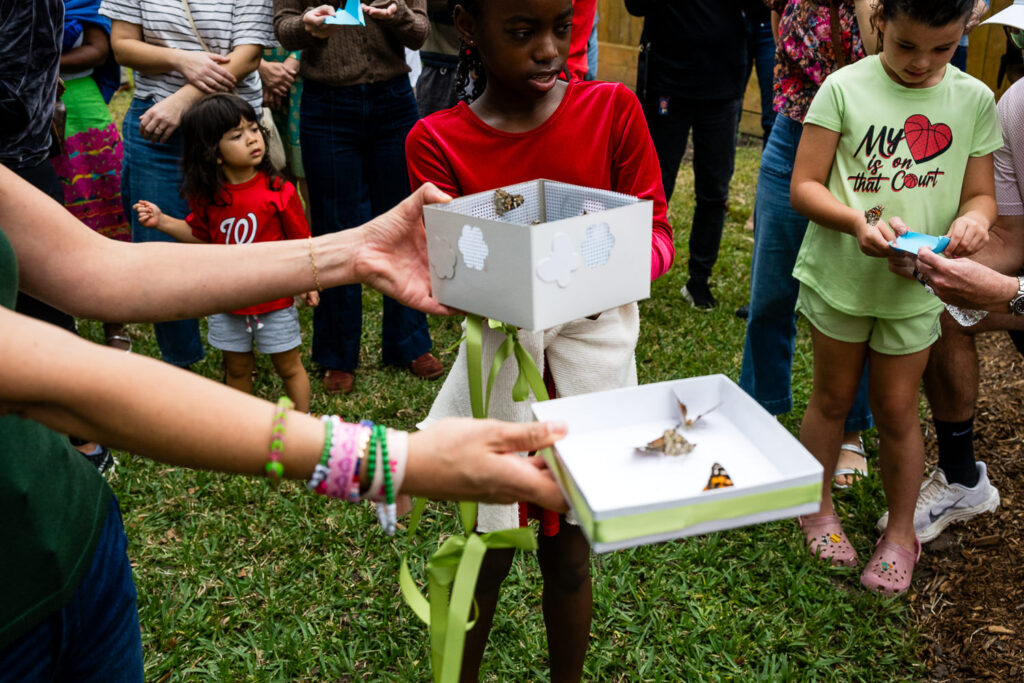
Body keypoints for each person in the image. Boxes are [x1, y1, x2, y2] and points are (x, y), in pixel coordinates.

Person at [0, 164, 569, 678]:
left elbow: (99, 268)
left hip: (80, 542)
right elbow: (56, 381)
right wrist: (388, 461)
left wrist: (358, 250)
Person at [405, 1, 674, 679]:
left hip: (589, 373)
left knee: (569, 552)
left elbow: (657, 233)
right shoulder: (436, 141)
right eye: (523, 33)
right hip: (500, 373)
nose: (550, 50)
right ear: (469, 27)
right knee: (487, 546)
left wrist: (603, 267)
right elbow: (449, 274)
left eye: (562, 26)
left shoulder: (612, 110)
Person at [790, 0, 1001, 596]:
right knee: (831, 399)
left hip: (916, 287)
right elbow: (804, 186)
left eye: (942, 49)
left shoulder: (973, 101)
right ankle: (817, 509)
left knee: (898, 409)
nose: (922, 63)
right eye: (907, 46)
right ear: (880, 19)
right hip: (841, 278)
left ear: (964, 32)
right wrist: (856, 222)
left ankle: (901, 533)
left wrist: (975, 222)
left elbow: (981, 196)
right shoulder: (842, 88)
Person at [877, 5, 1024, 543]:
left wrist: (1010, 292)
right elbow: (1009, 237)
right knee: (940, 306)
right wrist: (934, 263)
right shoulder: (1015, 109)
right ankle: (963, 477)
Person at [273, 1, 444, 396]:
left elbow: (419, 32)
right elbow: (283, 28)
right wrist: (308, 27)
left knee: (404, 220)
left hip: (394, 101)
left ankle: (409, 342)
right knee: (335, 225)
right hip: (327, 102)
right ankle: (337, 353)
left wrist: (397, 13)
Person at [740, 0, 877, 489]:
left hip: (862, 145)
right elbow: (780, 38)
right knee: (771, 293)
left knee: (853, 296)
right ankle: (758, 418)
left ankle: (850, 432)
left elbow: (884, 56)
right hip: (794, 132)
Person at [101, 0, 272, 369]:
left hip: (231, 126)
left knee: (242, 241)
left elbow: (248, 55)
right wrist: (182, 60)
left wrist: (184, 99)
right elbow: (123, 45)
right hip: (157, 125)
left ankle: (251, 351)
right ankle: (180, 364)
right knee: (159, 249)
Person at [133, 94, 318, 413]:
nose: (251, 139)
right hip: (227, 300)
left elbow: (301, 242)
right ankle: (241, 426)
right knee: (237, 369)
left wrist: (309, 281)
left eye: (253, 129)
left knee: (289, 367)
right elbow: (202, 238)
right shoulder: (207, 198)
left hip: (273, 300)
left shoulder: (279, 191)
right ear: (212, 153)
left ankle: (304, 425)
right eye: (236, 135)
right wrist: (163, 221)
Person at [626, 0, 746, 310]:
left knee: (714, 191)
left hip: (722, 88)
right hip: (667, 85)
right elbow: (635, 6)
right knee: (654, 187)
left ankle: (699, 281)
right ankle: (633, 278)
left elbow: (761, 15)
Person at [53, 0, 133, 352]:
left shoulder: (82, 0)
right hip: (22, 106)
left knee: (103, 206)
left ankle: (113, 322)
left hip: (79, 104)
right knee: (46, 208)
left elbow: (99, 52)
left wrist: (39, 61)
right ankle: (54, 318)